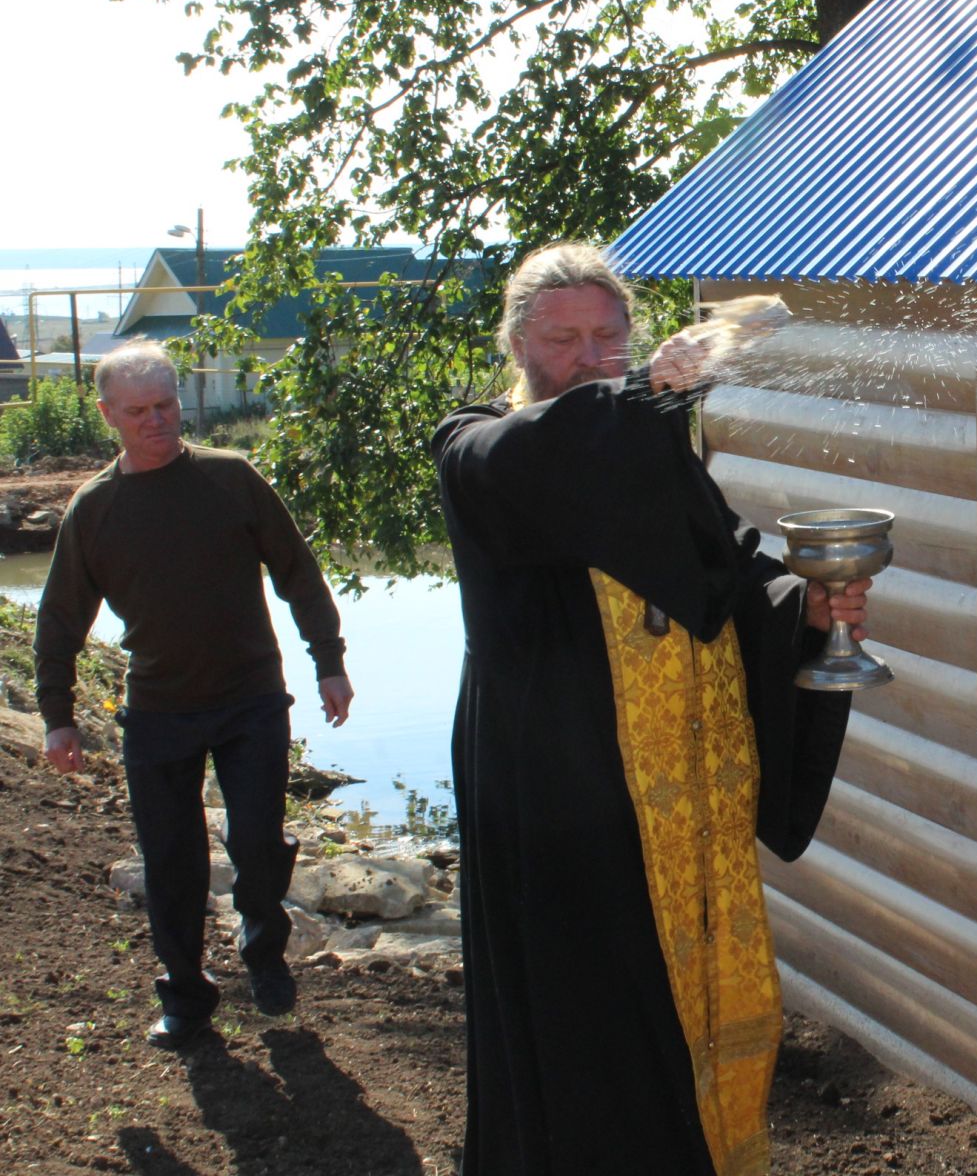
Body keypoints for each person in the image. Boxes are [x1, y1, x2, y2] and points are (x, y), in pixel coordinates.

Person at [432, 243, 868, 1175]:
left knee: (692, 1015)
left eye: (611, 337)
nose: (592, 355)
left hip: (682, 816)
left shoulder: (654, 455)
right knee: (591, 1026)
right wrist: (645, 397)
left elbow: (727, 586)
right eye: (565, 338)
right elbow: (547, 454)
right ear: (517, 344)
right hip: (561, 807)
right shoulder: (476, 447)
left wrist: (810, 611)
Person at [35, 339, 355, 1050]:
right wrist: (58, 717)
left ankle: (264, 951)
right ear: (107, 415)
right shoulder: (95, 510)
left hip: (250, 700)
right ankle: (185, 995)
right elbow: (60, 619)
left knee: (257, 842)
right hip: (158, 708)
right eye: (140, 411)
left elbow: (297, 572)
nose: (158, 421)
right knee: (171, 859)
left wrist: (328, 661)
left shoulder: (231, 478)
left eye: (168, 404)